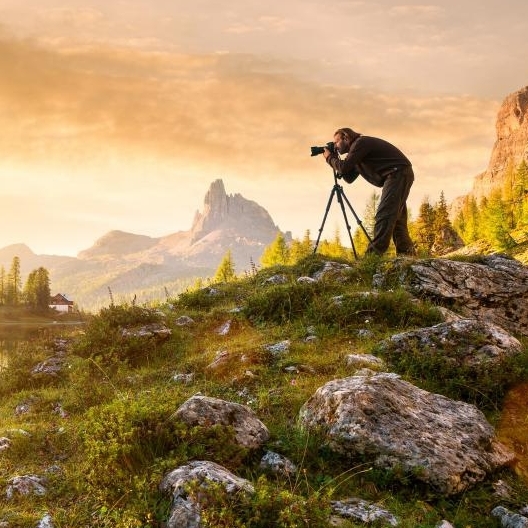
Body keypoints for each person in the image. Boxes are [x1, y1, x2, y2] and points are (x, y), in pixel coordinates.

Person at [323, 127, 416, 256]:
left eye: (336, 142)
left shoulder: (360, 143)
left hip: (397, 173)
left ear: (346, 137)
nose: (335, 146)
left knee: (385, 214)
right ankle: (407, 254)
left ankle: (372, 256)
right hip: (399, 174)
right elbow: (348, 177)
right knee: (397, 219)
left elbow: (343, 168)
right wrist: (334, 160)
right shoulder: (357, 151)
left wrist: (330, 158)